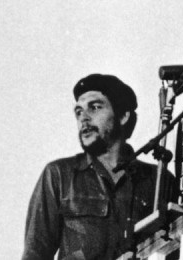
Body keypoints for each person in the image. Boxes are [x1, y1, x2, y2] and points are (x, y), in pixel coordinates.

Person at [23, 74, 163, 260]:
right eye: (79, 112)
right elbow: (35, 253)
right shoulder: (59, 175)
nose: (84, 119)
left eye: (95, 108)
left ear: (123, 116)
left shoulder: (158, 179)